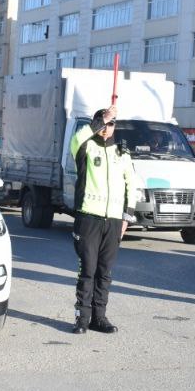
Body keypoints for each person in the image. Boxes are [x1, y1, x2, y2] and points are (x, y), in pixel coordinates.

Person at [68, 104, 136, 335]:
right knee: (87, 270)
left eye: (111, 124)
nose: (107, 128)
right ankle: (82, 318)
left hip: (114, 221)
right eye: (104, 123)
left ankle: (100, 317)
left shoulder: (122, 153)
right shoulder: (85, 147)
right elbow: (78, 137)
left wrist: (126, 218)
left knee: (104, 273)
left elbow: (132, 185)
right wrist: (100, 120)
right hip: (89, 217)